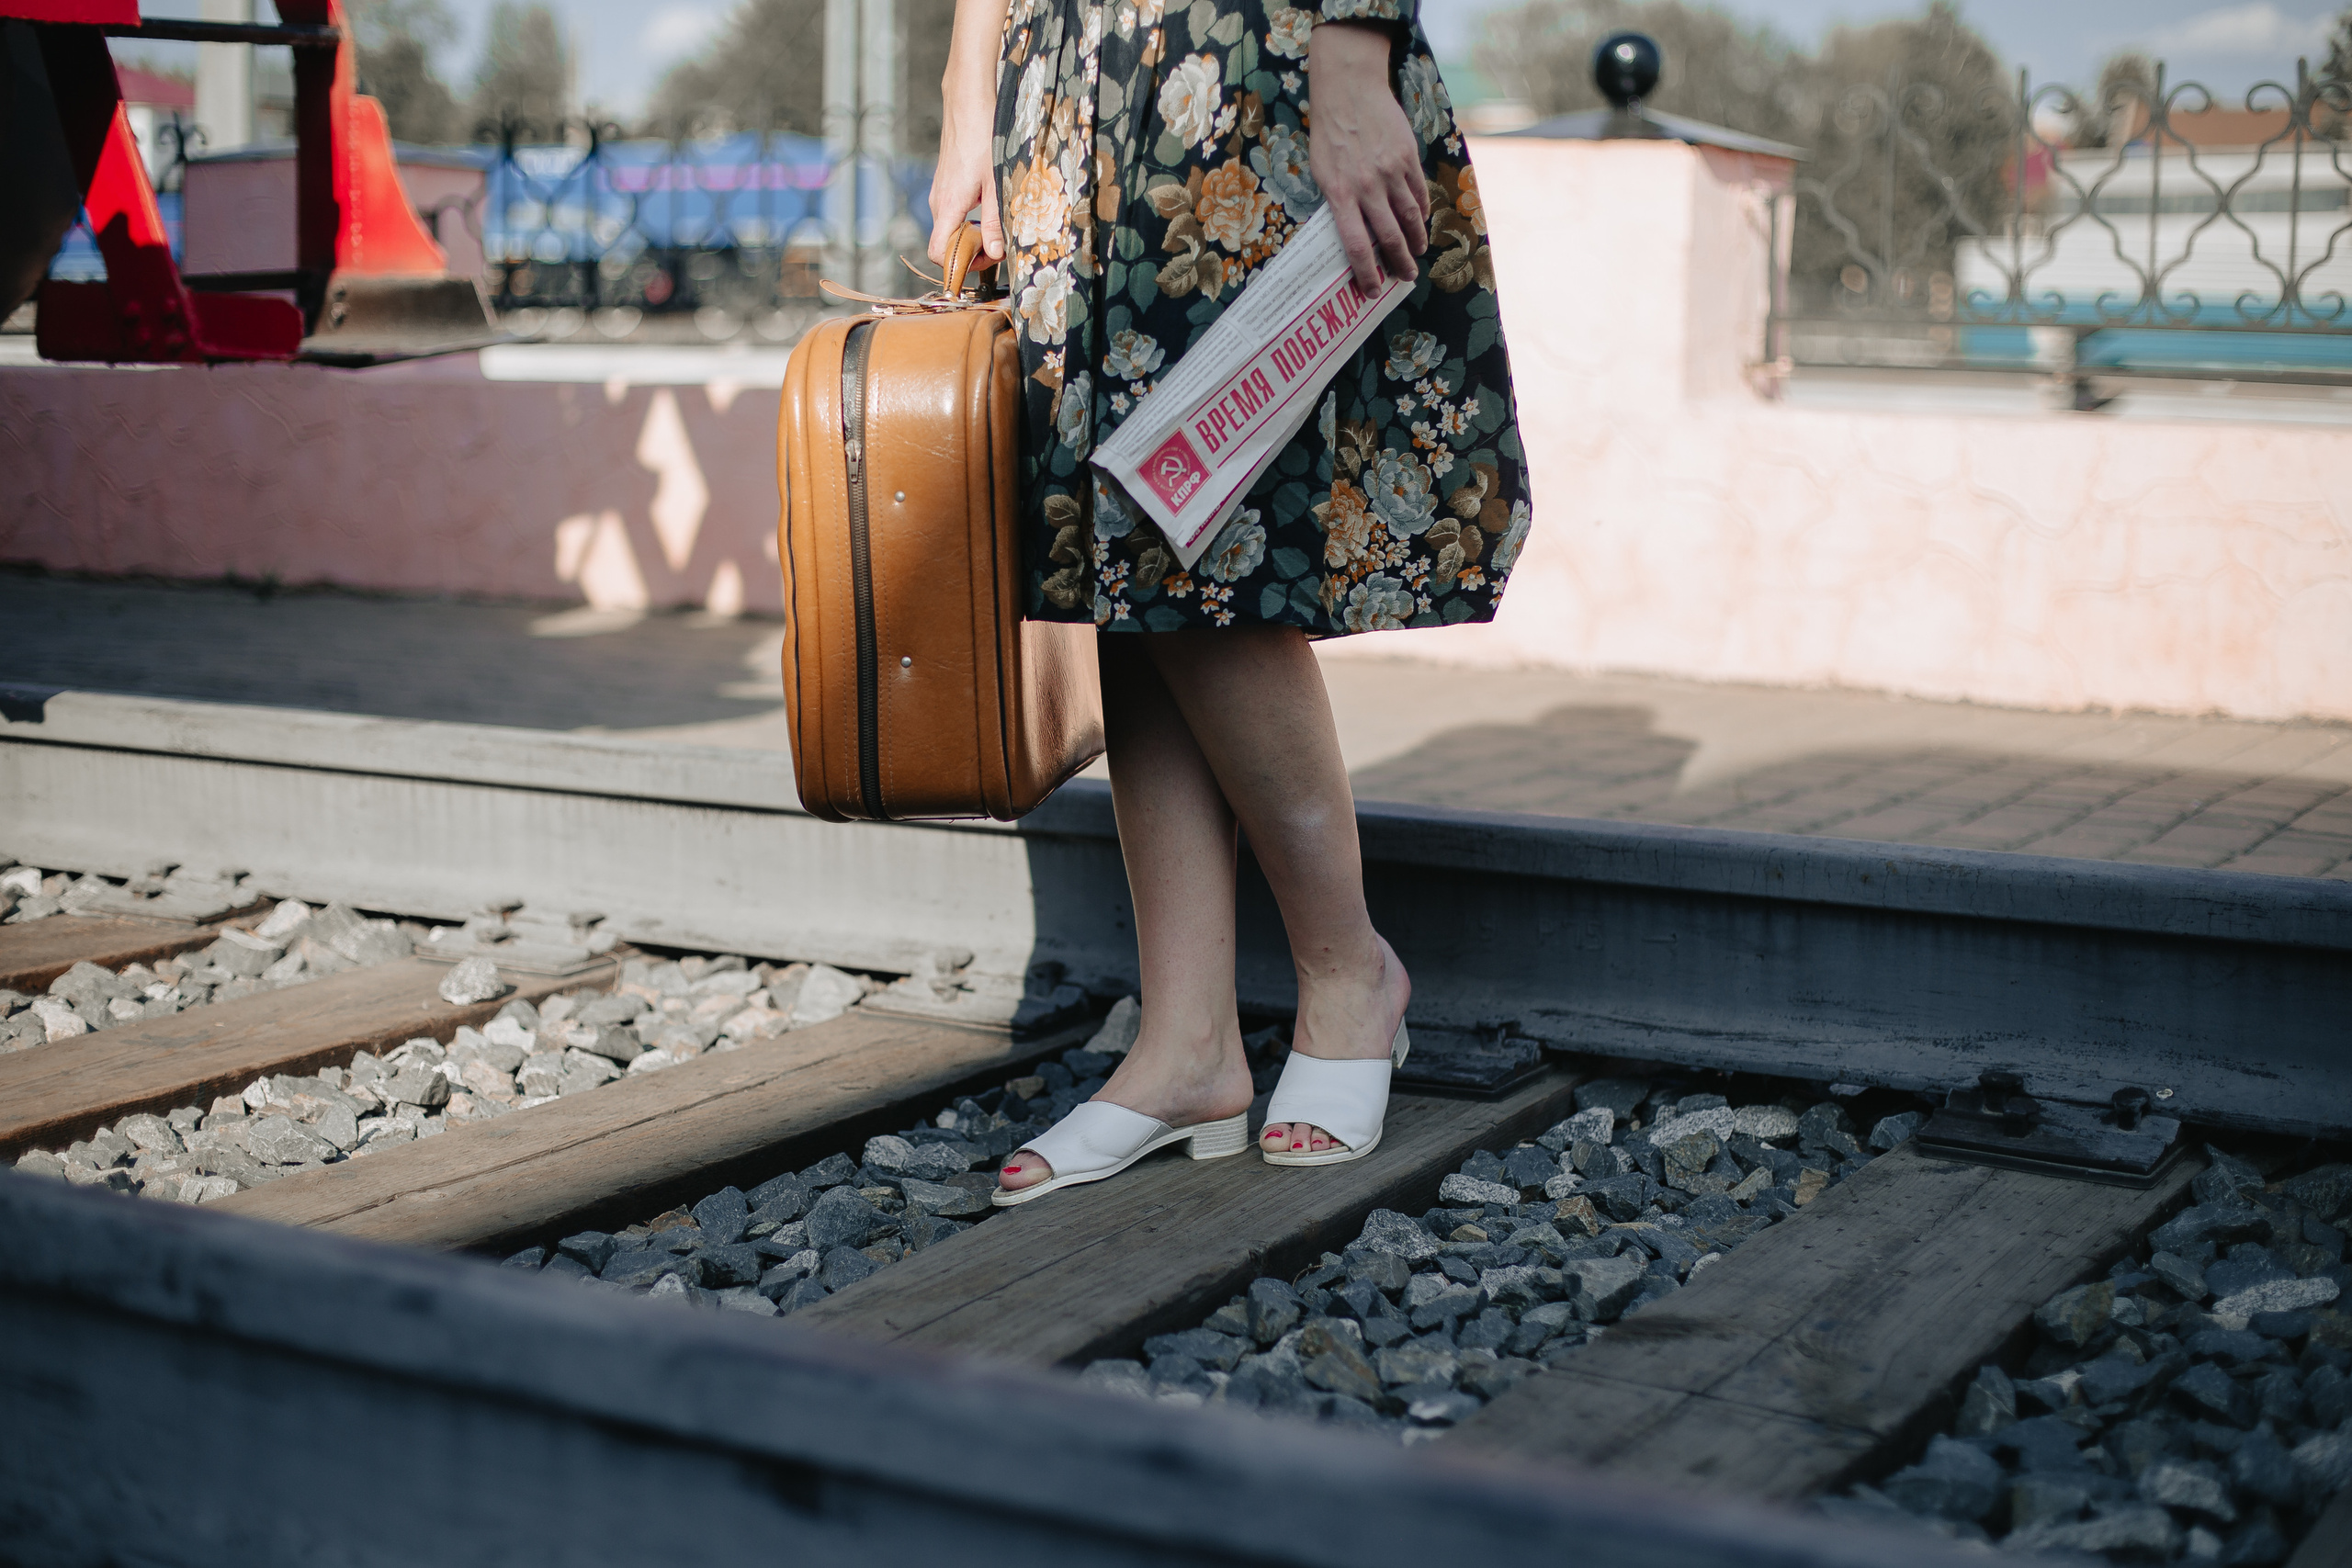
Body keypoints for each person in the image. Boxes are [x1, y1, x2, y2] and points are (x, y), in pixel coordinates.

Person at [926, 0, 1532, 1201]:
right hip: (1062, 83)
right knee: (1120, 551)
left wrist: (1355, 53)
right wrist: (966, 99)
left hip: (1246, 56)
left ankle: (1348, 971)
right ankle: (1188, 1044)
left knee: (1195, 525)